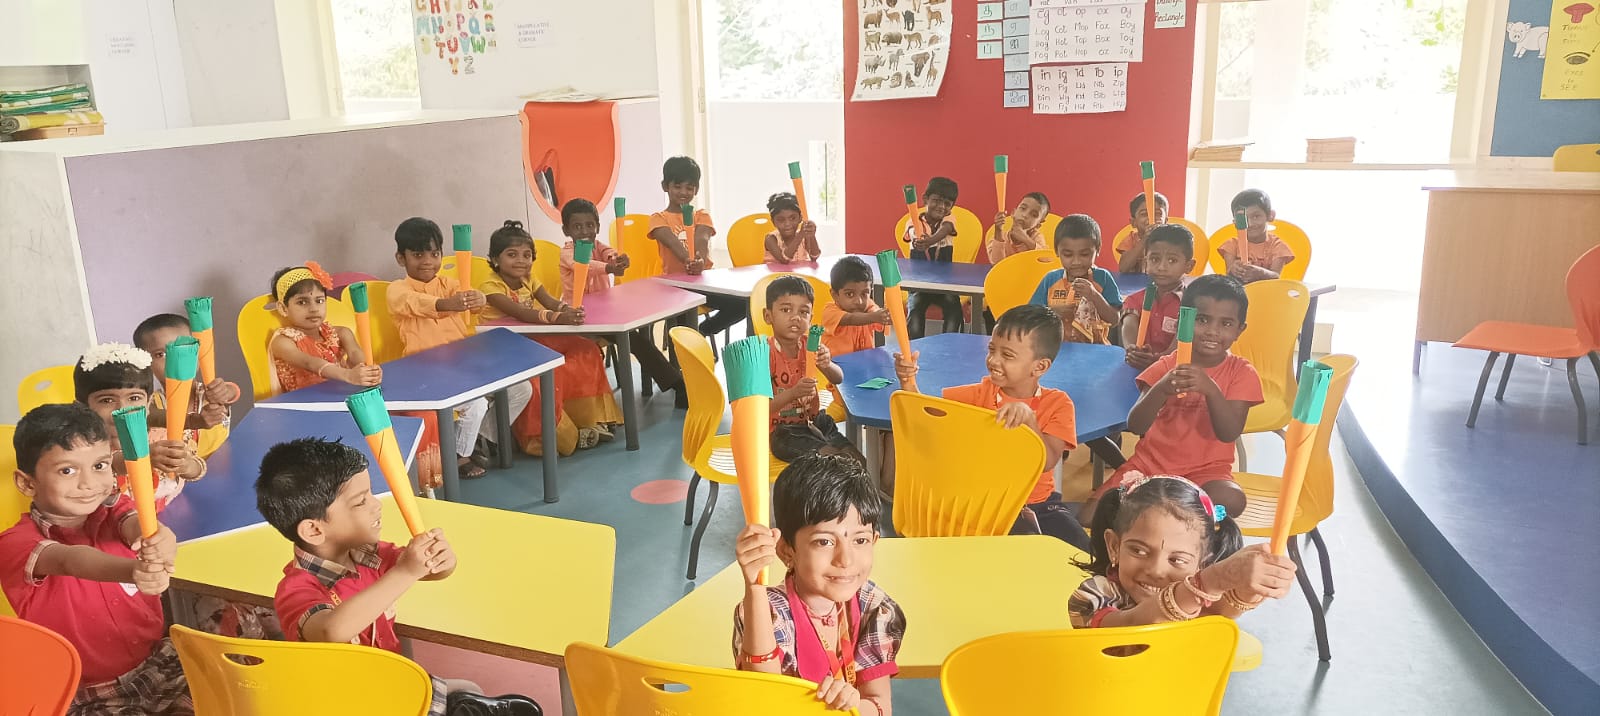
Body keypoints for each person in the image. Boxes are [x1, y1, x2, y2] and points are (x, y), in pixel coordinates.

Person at [258, 438, 540, 716]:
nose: (377, 505)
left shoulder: (367, 554)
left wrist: (440, 560)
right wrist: (406, 571)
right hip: (346, 703)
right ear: (314, 530)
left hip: (391, 683)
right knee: (463, 698)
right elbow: (332, 631)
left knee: (470, 689)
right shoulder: (296, 589)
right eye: (361, 501)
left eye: (371, 494)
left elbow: (430, 570)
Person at [0, 403, 189, 714]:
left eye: (100, 465)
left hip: (158, 661)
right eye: (67, 470)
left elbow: (134, 522)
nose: (89, 483)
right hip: (91, 693)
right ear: (27, 483)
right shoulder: (15, 544)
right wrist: (134, 570)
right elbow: (70, 560)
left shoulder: (113, 506)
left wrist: (161, 537)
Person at [893, 305, 1086, 549]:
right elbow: (926, 417)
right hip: (980, 505)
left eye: (1007, 355)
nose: (994, 360)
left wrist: (1030, 421)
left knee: (1080, 550)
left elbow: (1047, 462)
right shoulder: (979, 394)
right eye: (992, 350)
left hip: (1035, 505)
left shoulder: (1058, 404)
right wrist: (907, 381)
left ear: (1040, 367)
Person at [732, 453, 905, 715]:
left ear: (874, 541)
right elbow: (765, 697)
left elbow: (880, 706)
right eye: (824, 542)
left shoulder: (874, 607)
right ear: (787, 551)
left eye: (860, 540)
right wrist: (754, 586)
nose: (845, 560)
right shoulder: (766, 613)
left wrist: (852, 705)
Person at [1082, 275, 1262, 525]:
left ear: (1240, 330)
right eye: (1202, 320)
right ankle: (1167, 514)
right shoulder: (1166, 365)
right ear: (1183, 322)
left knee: (1231, 499)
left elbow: (1229, 432)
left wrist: (1211, 390)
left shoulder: (1241, 372)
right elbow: (1136, 425)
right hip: (1149, 468)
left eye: (1226, 323)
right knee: (1090, 516)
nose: (1212, 331)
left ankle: (1162, 515)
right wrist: (1162, 388)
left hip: (1207, 473)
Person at [388, 217, 532, 479]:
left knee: (521, 389)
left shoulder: (450, 284)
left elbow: (474, 303)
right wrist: (447, 304)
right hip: (426, 369)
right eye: (418, 255)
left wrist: (478, 298)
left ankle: (476, 438)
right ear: (401, 258)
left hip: (465, 363)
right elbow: (415, 303)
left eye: (434, 254)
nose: (428, 261)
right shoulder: (397, 289)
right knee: (475, 405)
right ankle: (460, 454)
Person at [1070, 474, 1295, 628]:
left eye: (1177, 560)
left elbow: (1219, 611)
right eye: (1139, 551)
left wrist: (1250, 588)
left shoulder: (1195, 598)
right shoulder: (1091, 596)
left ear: (1203, 562)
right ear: (1114, 546)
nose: (1156, 570)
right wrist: (1212, 580)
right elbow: (1132, 626)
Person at [481, 218, 625, 452]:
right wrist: (558, 317)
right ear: (495, 259)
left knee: (585, 349)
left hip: (530, 339)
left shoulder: (528, 280)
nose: (521, 260)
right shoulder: (490, 286)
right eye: (512, 255)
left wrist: (568, 310)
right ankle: (555, 436)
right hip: (502, 348)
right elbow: (521, 313)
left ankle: (590, 420)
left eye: (527, 255)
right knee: (545, 372)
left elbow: (550, 302)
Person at [557, 198, 686, 407]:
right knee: (627, 343)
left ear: (598, 227)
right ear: (566, 230)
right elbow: (583, 265)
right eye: (577, 227)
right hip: (578, 319)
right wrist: (608, 268)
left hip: (604, 316)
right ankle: (675, 384)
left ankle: (677, 384)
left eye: (589, 225)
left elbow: (609, 254)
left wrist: (618, 259)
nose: (584, 231)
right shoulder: (567, 252)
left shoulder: (598, 246)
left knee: (638, 341)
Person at [74, 343, 204, 510]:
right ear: (82, 408)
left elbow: (197, 469)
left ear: (148, 403)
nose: (123, 409)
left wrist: (186, 465)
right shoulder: (78, 450)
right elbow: (108, 465)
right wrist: (142, 458)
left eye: (134, 398)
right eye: (107, 400)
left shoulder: (160, 438)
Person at [648, 156, 748, 337]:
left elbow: (702, 238)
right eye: (677, 186)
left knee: (743, 304)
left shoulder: (701, 215)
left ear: (697, 189)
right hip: (676, 286)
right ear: (665, 186)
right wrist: (688, 260)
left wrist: (699, 260)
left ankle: (702, 332)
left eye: (689, 187)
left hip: (705, 283)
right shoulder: (658, 218)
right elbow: (671, 241)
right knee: (681, 323)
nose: (683, 192)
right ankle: (683, 345)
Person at [765, 276, 853, 462]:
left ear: (811, 319)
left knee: (853, 456)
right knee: (834, 458)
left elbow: (838, 378)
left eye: (803, 312)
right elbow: (761, 408)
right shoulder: (765, 354)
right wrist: (793, 393)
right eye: (786, 310)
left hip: (814, 421)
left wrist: (827, 365)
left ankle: (864, 476)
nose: (796, 317)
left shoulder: (811, 346)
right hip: (782, 432)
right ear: (768, 316)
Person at [132, 313, 239, 458]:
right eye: (161, 354)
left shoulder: (211, 394)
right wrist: (192, 421)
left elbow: (231, 392)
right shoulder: (151, 403)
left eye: (183, 349)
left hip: (220, 470)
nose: (175, 360)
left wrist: (227, 391)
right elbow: (147, 415)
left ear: (199, 352)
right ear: (144, 363)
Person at [1027, 214, 1122, 344]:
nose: (1076, 262)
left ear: (1097, 250)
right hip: (1056, 347)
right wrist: (1052, 312)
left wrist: (1094, 295)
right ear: (1057, 252)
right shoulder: (1051, 279)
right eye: (1068, 254)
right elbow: (1030, 316)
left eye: (1084, 254)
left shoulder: (1103, 278)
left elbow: (1114, 320)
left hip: (1095, 348)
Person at [1118, 225, 1196, 370]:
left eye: (1172, 261)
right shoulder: (1135, 299)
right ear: (1146, 261)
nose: (1161, 267)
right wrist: (1132, 349)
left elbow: (1180, 344)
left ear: (1189, 266)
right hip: (1136, 367)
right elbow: (1128, 325)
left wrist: (1159, 359)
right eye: (1154, 259)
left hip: (1174, 371)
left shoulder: (1191, 305)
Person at [903, 177, 964, 338]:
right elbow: (912, 233)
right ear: (925, 199)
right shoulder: (913, 221)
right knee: (915, 310)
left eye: (947, 204)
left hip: (945, 283)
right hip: (919, 284)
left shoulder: (949, 220)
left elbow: (945, 229)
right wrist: (917, 240)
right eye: (936, 201)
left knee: (954, 309)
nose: (941, 207)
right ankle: (916, 347)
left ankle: (950, 344)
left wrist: (929, 241)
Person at [1218, 188, 1295, 283]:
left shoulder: (1278, 246)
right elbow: (1228, 277)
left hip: (1266, 290)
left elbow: (1276, 276)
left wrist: (1261, 273)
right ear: (1235, 222)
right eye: (1243, 219)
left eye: (1256, 216)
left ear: (1270, 215)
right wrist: (1233, 270)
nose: (1250, 224)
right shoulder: (1231, 245)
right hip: (1238, 290)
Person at [986, 191, 1050, 263]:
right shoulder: (1000, 237)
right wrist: (998, 231)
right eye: (1023, 208)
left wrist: (1025, 239)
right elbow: (996, 263)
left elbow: (1046, 260)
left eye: (1034, 215)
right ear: (1013, 213)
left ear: (1038, 225)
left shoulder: (1036, 237)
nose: (1025, 215)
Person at [1115, 191, 1170, 274]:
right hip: (1134, 282)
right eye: (1144, 214)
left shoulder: (1171, 239)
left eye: (1158, 214)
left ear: (1165, 221)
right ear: (1133, 222)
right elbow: (1123, 268)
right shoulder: (1131, 239)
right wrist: (1145, 239)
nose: (1151, 218)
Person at [764, 192, 821, 264]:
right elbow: (784, 259)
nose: (787, 224)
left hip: (799, 271)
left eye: (793, 218)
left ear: (800, 218)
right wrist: (800, 235)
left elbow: (814, 257)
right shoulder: (770, 239)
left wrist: (812, 235)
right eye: (781, 220)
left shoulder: (803, 236)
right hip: (776, 271)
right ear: (773, 222)